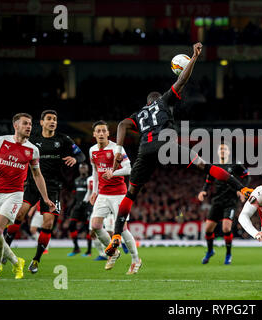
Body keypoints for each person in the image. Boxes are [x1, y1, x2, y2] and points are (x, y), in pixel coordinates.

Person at [104, 42, 253, 257]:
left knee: (131, 192)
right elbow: (182, 80)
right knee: (203, 164)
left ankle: (117, 234)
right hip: (165, 145)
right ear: (156, 100)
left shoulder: (139, 115)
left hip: (144, 150)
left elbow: (121, 125)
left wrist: (118, 150)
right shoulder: (164, 101)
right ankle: (244, 189)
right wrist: (194, 57)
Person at [3, 109, 86, 274]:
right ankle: (6, 250)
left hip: (53, 187)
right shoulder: (32, 139)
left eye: (54, 119)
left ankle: (36, 260)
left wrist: (75, 159)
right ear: (41, 122)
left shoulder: (63, 139)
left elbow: (82, 156)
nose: (52, 121)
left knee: (48, 223)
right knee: (19, 214)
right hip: (32, 185)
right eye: (49, 119)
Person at [0, 113, 55, 280]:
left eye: (30, 124)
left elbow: (38, 175)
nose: (29, 126)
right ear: (16, 126)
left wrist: (45, 198)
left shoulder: (33, 150)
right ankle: (17, 262)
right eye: (25, 123)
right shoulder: (1, 141)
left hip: (15, 194)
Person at [89, 120, 141, 274]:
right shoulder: (92, 150)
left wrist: (114, 173)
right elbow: (95, 171)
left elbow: (129, 169)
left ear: (108, 133)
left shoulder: (116, 149)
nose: (101, 133)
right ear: (94, 134)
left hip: (119, 194)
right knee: (96, 226)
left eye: (103, 131)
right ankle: (113, 252)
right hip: (103, 194)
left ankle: (135, 259)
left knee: (122, 229)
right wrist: (94, 191)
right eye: (98, 131)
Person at [198, 143, 250, 265]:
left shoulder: (235, 164)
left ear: (228, 151)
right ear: (217, 152)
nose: (222, 151)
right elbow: (209, 179)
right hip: (217, 200)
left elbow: (246, 176)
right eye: (220, 149)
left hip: (230, 201)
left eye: (224, 149)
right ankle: (210, 251)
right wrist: (204, 190)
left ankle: (228, 254)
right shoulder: (214, 165)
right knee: (208, 229)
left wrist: (241, 190)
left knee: (226, 228)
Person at [67, 162, 93, 257]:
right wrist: (70, 208)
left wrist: (90, 206)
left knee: (87, 229)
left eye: (84, 167)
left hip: (87, 207)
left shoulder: (90, 180)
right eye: (81, 168)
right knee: (71, 226)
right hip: (77, 207)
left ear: (87, 169)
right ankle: (76, 248)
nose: (82, 169)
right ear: (79, 169)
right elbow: (75, 196)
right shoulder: (76, 180)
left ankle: (89, 251)